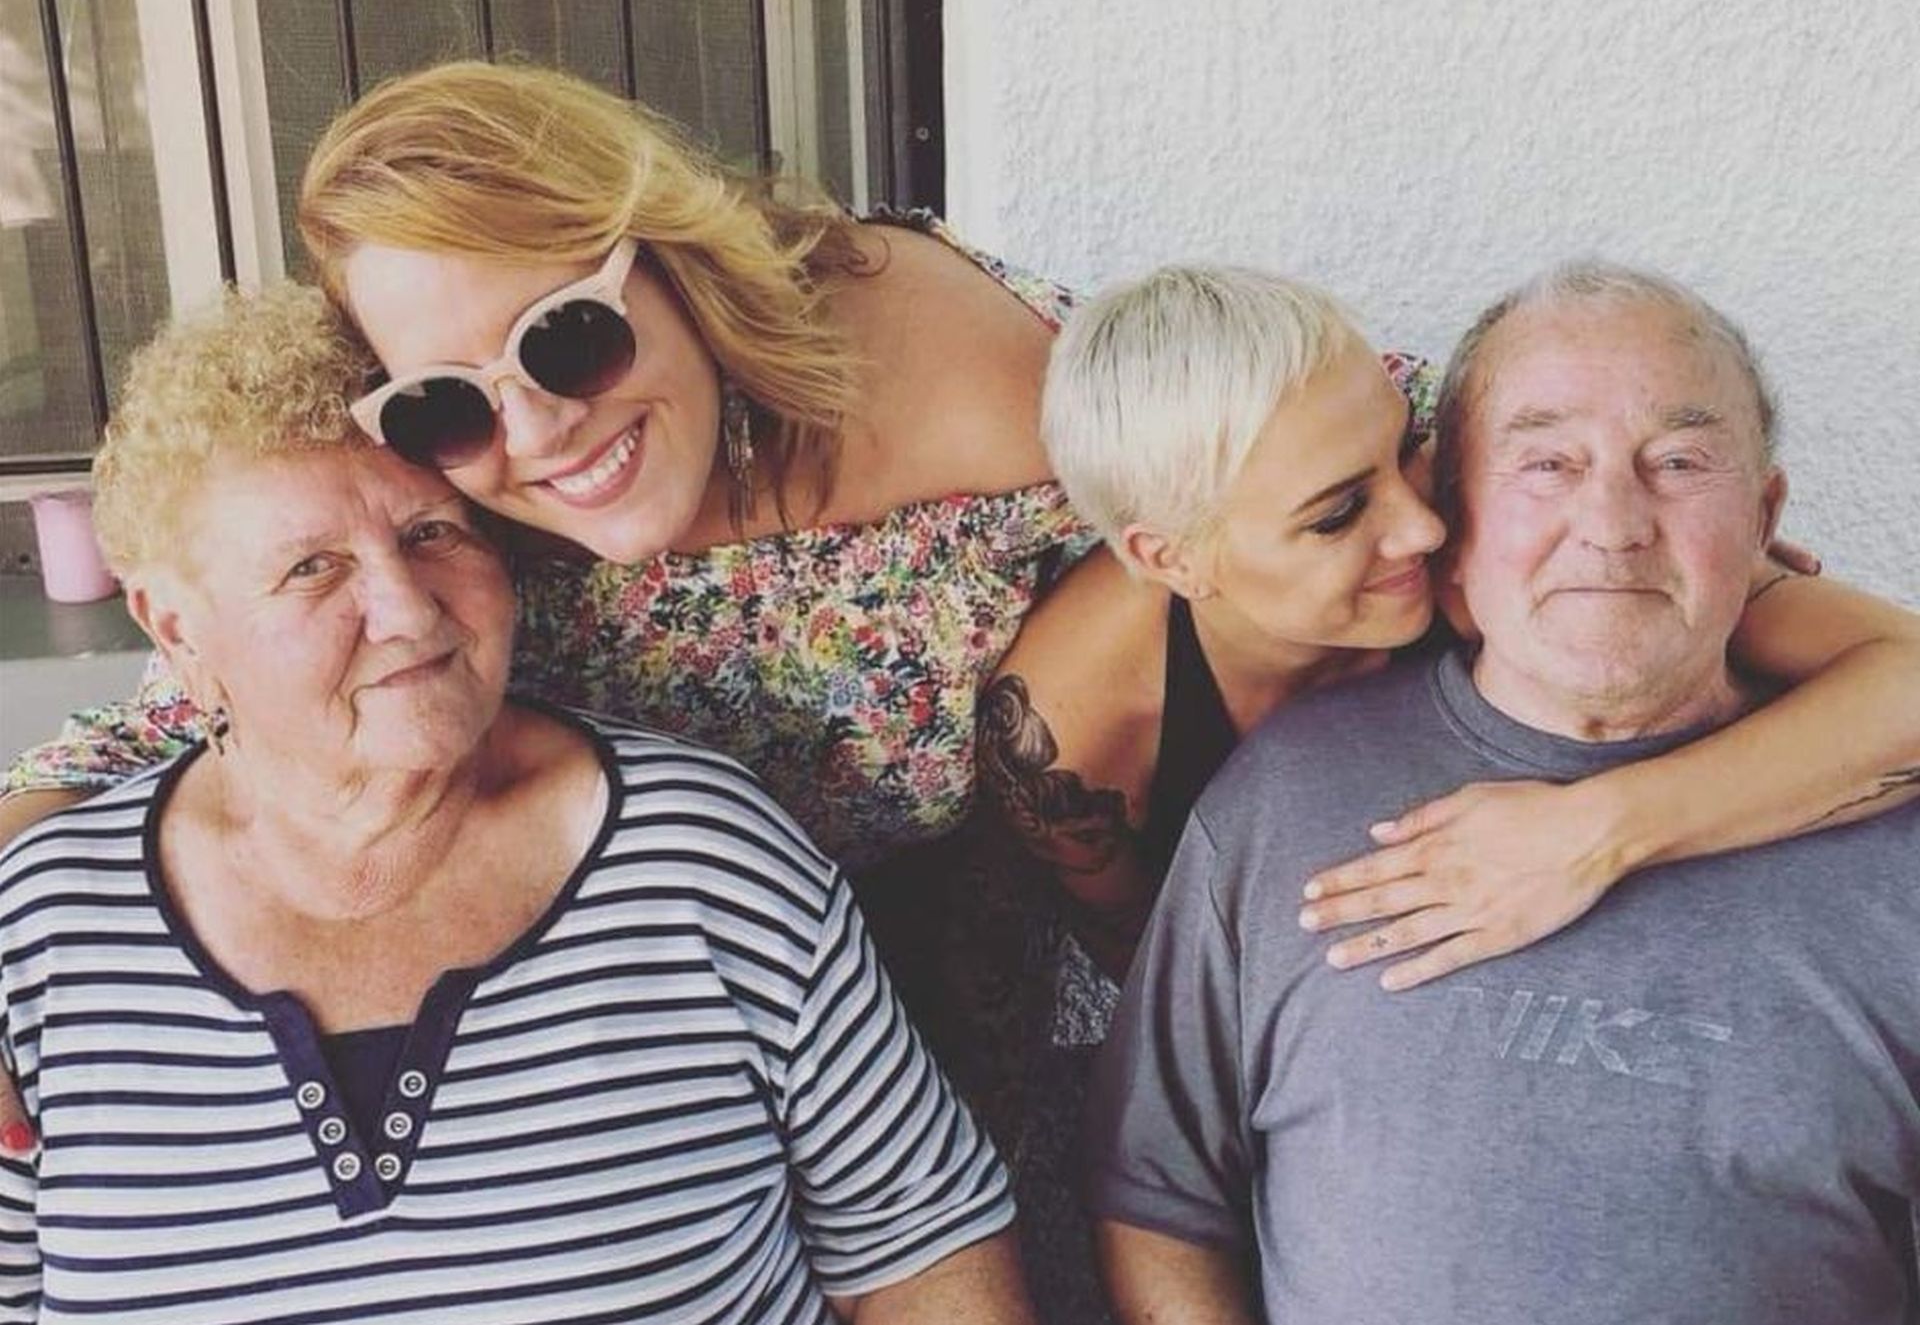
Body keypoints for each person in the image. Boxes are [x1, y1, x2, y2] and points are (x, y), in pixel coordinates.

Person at [0, 285, 1038, 1325]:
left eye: (432, 534)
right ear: (176, 628)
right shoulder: (41, 931)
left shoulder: (701, 857)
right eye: (312, 568)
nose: (408, 611)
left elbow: (925, 1247)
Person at [967, 265, 1920, 1320]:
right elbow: (1169, 1154)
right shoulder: (1089, 744)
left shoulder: (1542, 555)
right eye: (1339, 514)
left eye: (1407, 455)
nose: (1420, 528)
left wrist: (1599, 827)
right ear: (1175, 558)